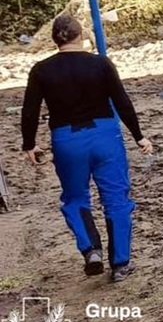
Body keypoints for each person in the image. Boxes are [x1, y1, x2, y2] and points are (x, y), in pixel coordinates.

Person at [20, 15, 152, 282]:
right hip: (105, 136)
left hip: (67, 139)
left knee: (75, 198)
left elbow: (30, 111)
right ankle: (120, 265)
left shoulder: (41, 70)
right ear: (81, 36)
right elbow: (122, 102)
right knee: (116, 199)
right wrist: (139, 136)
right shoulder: (101, 64)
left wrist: (29, 144)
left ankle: (91, 250)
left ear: (55, 39)